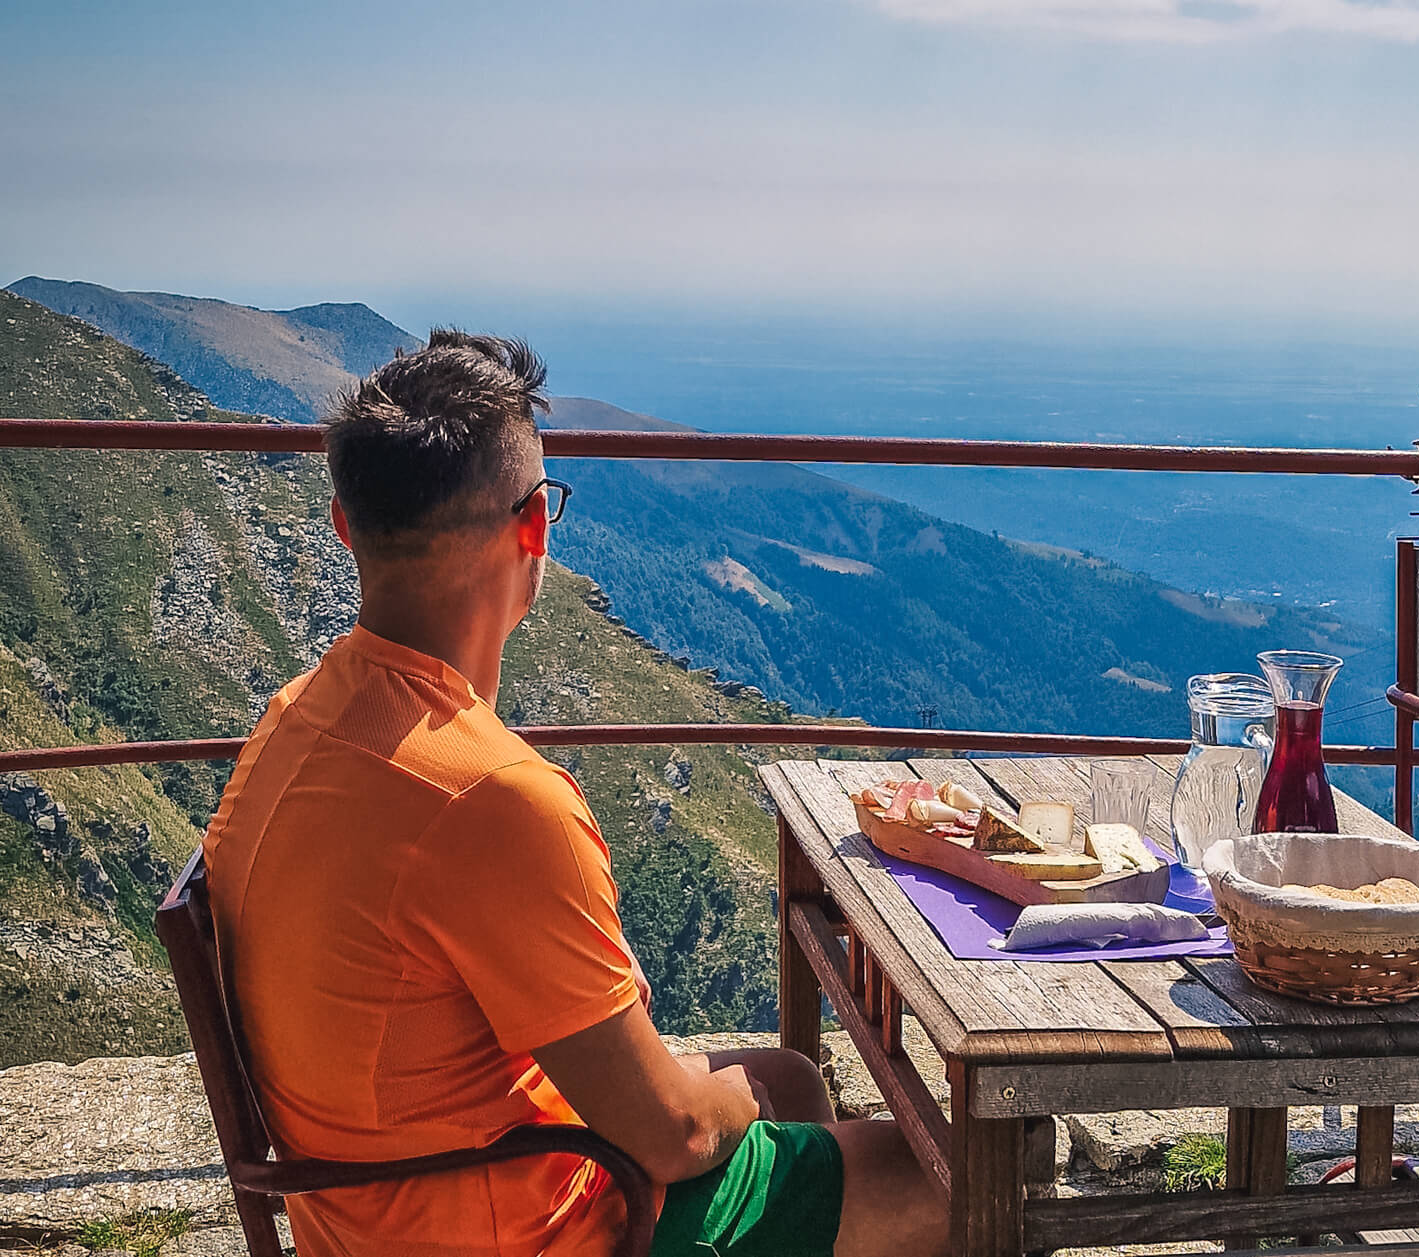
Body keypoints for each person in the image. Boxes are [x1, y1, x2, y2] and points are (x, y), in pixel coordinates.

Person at [202, 330, 946, 1257]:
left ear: (346, 525)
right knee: (947, 1180)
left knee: (793, 1076)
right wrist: (728, 1101)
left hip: (368, 1210)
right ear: (535, 526)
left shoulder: (295, 718)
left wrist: (740, 1094)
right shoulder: (494, 797)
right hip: (536, 1228)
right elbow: (670, 1135)